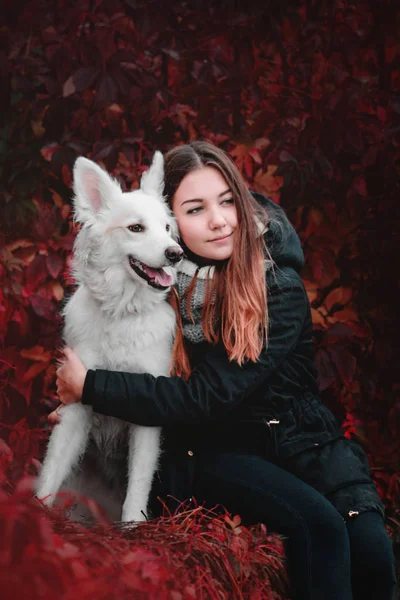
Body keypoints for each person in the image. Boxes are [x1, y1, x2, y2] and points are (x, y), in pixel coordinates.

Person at [53, 141, 397, 600]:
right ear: (171, 221)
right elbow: (111, 346)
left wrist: (92, 387)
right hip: (220, 446)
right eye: (194, 210)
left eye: (228, 201)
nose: (218, 220)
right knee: (322, 530)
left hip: (300, 441)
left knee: (371, 552)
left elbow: (205, 395)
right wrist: (87, 400)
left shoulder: (277, 286)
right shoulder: (154, 282)